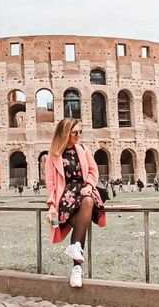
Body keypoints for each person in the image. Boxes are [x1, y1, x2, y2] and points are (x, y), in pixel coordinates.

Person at [45, 118, 105, 288]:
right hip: (65, 197)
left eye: (80, 132)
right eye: (75, 132)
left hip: (84, 191)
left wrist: (90, 186)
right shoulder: (53, 157)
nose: (79, 135)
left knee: (87, 201)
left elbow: (94, 171)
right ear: (65, 134)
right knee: (81, 223)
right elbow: (50, 183)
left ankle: (76, 262)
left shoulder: (83, 149)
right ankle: (76, 266)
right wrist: (50, 204)